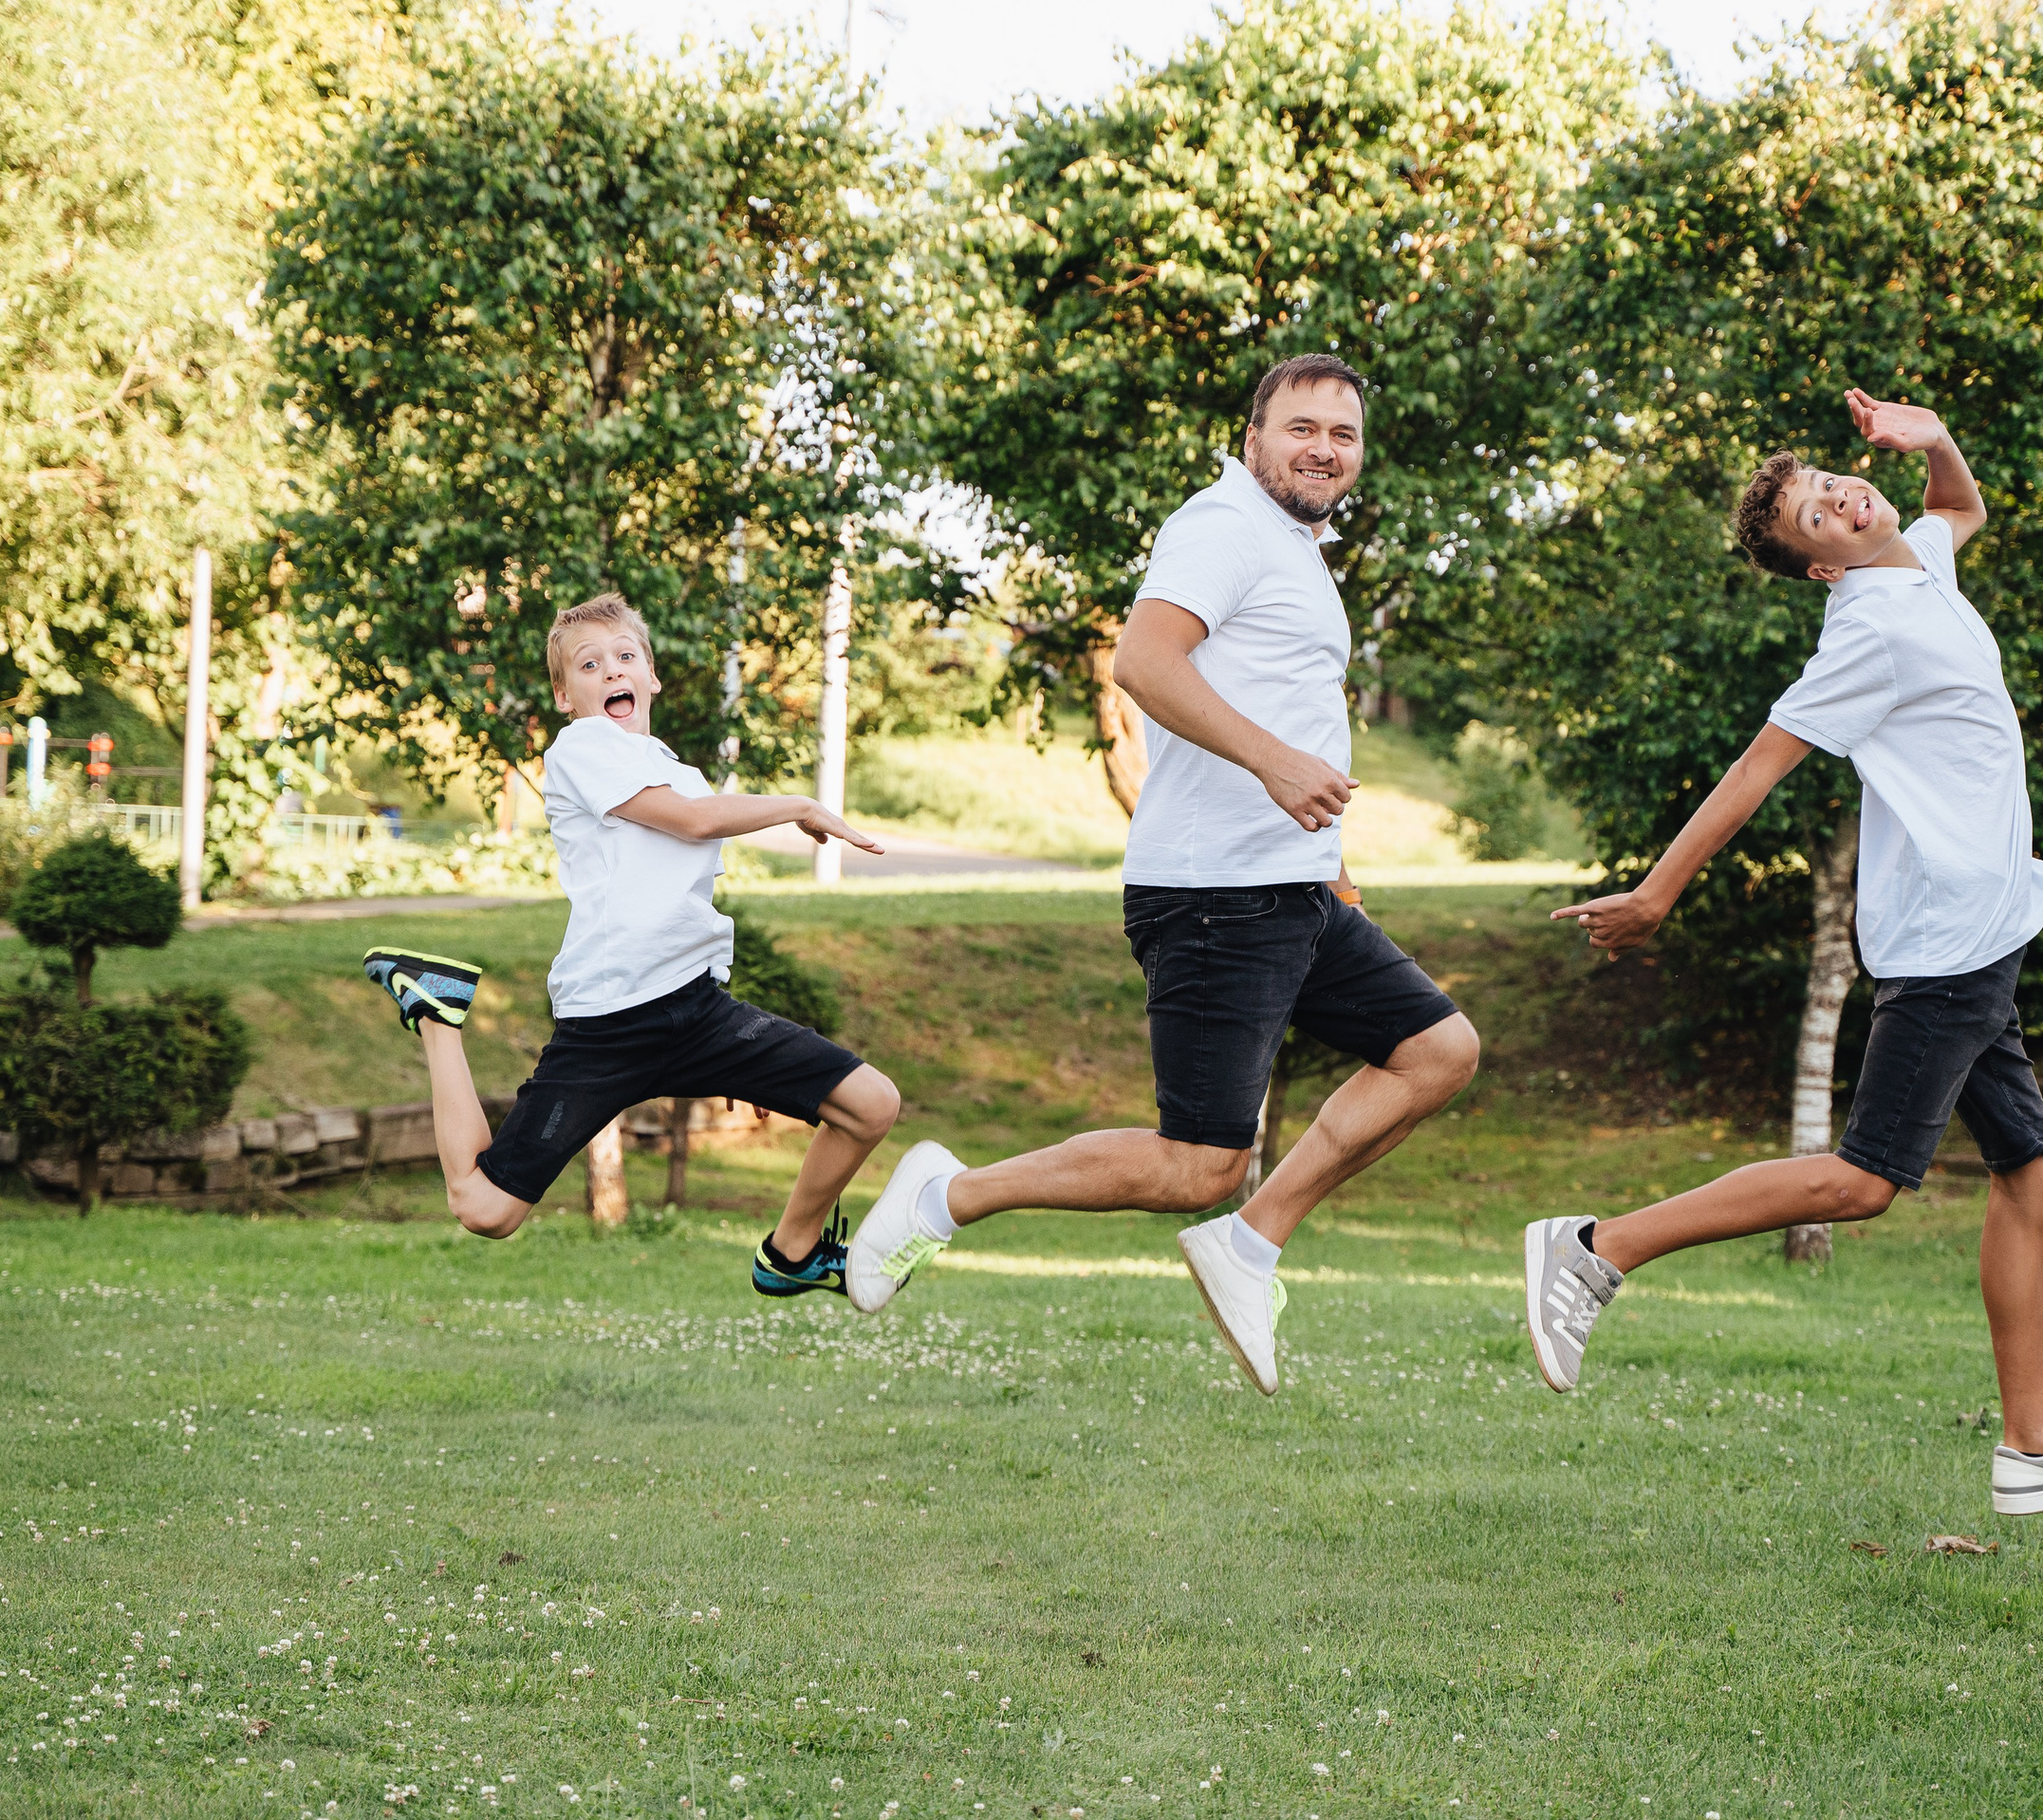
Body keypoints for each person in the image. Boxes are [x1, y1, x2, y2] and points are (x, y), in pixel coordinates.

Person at [1522, 390, 2043, 1516]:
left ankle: (2033, 1444)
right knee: (1865, 1181)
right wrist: (1658, 894)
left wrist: (1935, 439)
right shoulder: (1865, 631)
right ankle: (1593, 1245)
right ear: (1819, 567)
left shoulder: (1916, 561)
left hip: (1984, 932)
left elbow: (1958, 508)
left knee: (2030, 1172)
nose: (1836, 498)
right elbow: (1756, 769)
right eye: (1814, 516)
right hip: (1944, 945)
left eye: (1828, 482)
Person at [844, 353, 1480, 1394]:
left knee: (1437, 1051)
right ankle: (946, 1195)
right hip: (1216, 893)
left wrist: (1332, 862)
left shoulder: (1292, 547)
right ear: (1253, 437)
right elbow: (1144, 662)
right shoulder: (1221, 526)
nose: (1324, 448)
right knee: (1196, 1165)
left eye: (1344, 434)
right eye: (1302, 427)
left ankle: (1254, 1240)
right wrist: (1274, 764)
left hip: (1296, 885)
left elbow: (1285, 701)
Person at [360, 592, 902, 1299]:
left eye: (625, 657)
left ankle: (791, 1253)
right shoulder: (582, 749)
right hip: (612, 1021)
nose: (611, 669)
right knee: (484, 1210)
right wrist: (799, 805)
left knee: (871, 1104)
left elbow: (676, 897)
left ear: (651, 676)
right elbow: (691, 823)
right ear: (565, 693)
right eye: (589, 664)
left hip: (697, 1011)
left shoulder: (676, 767)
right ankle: (435, 1014)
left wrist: (749, 1057)